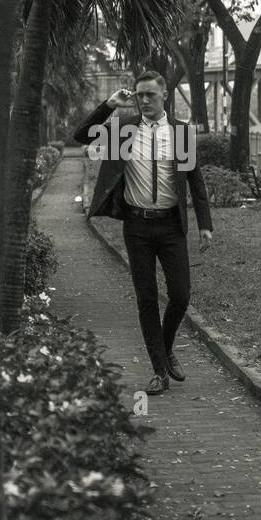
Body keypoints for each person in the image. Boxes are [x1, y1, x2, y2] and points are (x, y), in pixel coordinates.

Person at [73, 71, 213, 395]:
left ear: (164, 95)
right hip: (136, 227)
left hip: (171, 225)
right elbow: (80, 136)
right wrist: (110, 105)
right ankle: (159, 370)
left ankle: (164, 349)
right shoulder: (122, 131)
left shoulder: (180, 133)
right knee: (147, 297)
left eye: (150, 94)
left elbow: (195, 181)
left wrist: (205, 224)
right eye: (140, 95)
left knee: (180, 295)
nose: (145, 100)